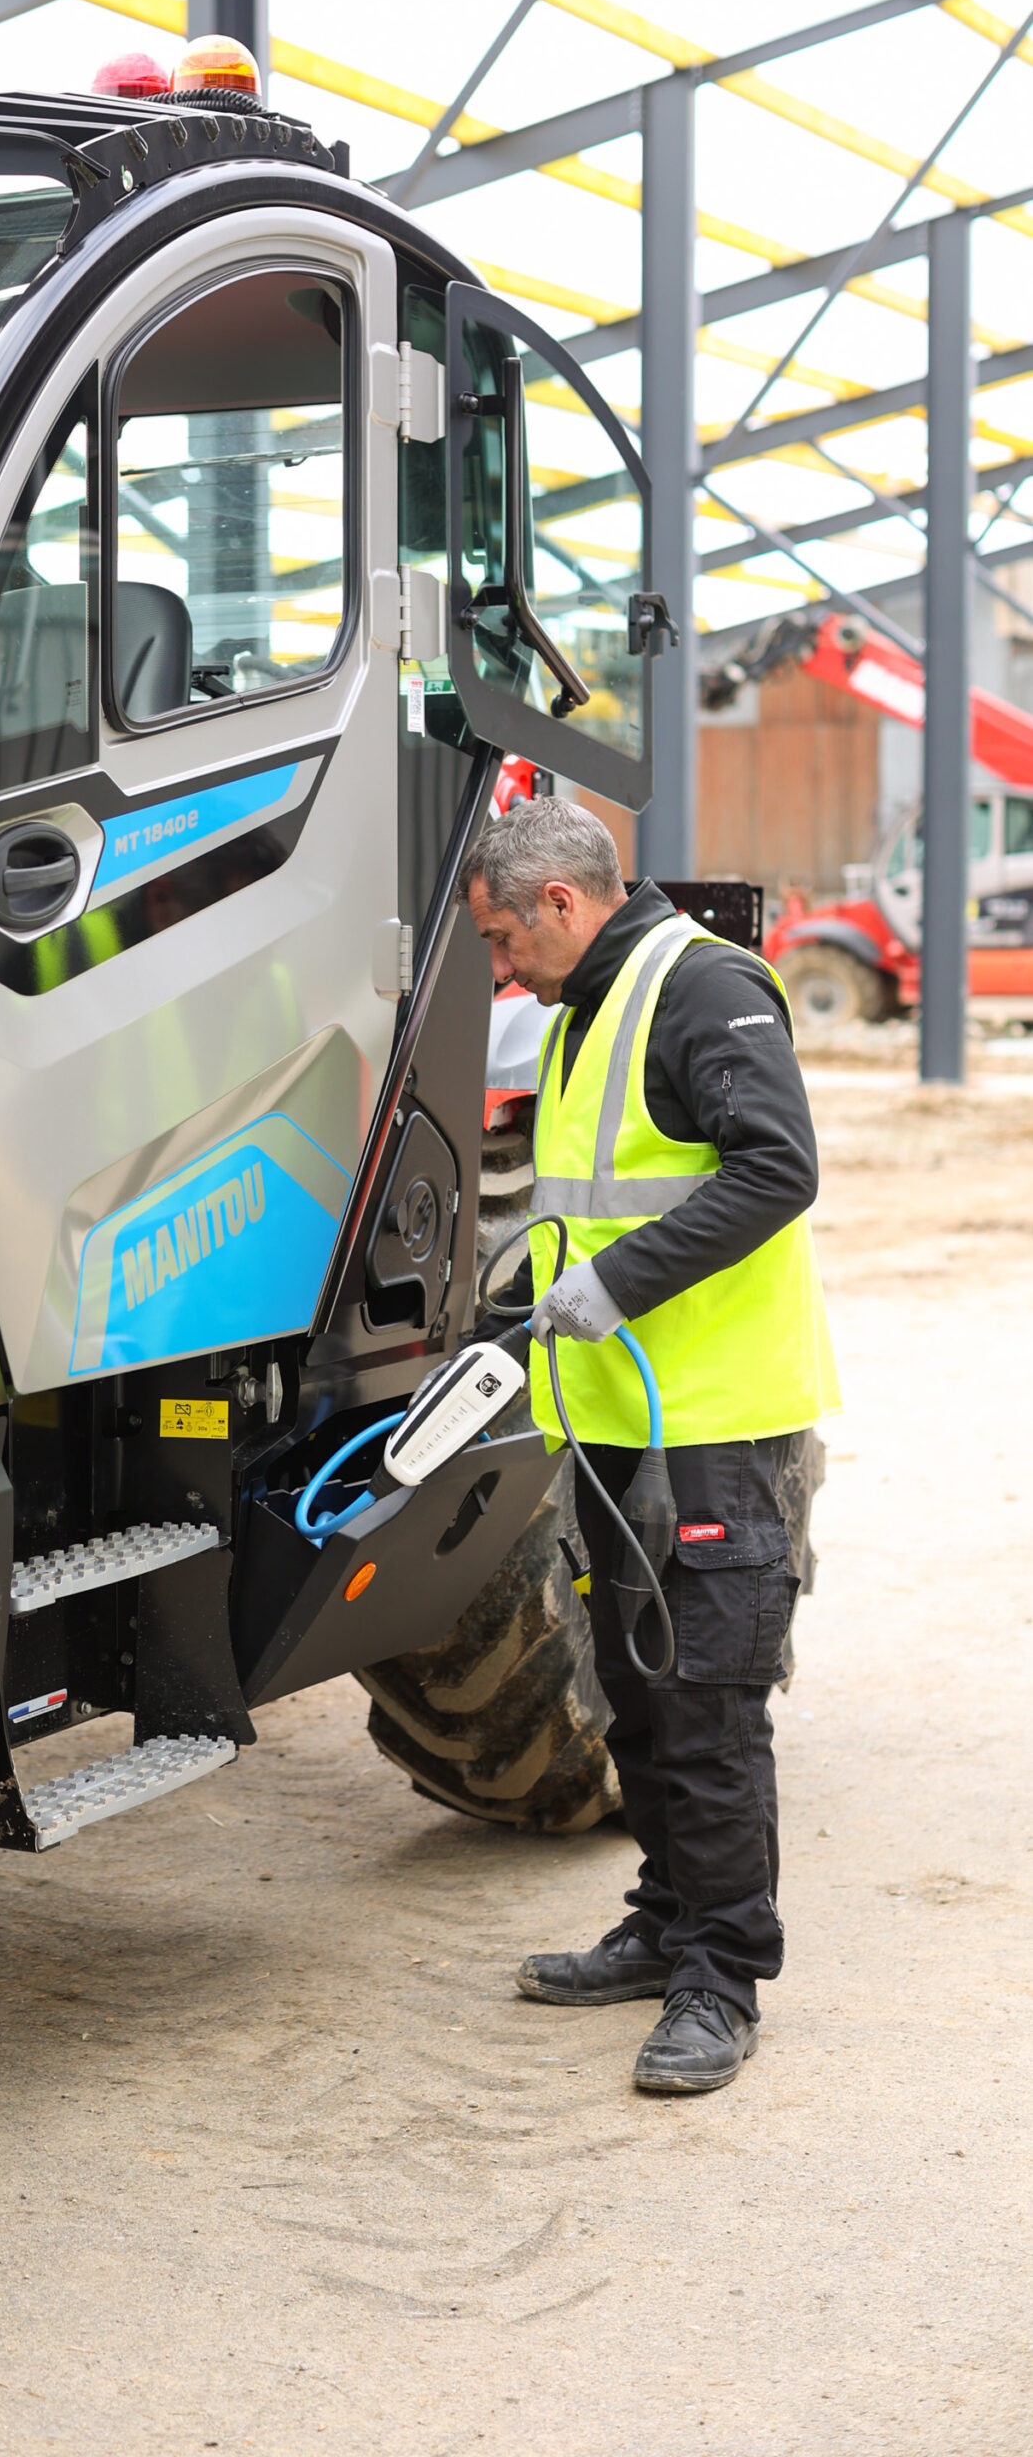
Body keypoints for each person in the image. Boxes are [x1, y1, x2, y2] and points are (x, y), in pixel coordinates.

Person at [463, 798, 838, 2096]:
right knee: (637, 1697)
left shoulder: (703, 990)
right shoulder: (585, 1012)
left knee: (709, 1708)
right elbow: (589, 1205)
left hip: (720, 1424)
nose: (502, 970)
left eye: (506, 939)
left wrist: (619, 1286)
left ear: (561, 903)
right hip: (621, 1426)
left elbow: (775, 1168)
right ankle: (668, 1919)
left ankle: (722, 1979)